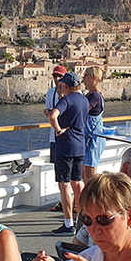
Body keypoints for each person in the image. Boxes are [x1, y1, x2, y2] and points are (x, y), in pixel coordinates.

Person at [48, 72, 88, 236]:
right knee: (77, 183)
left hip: (65, 146)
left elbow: (53, 115)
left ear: (66, 86)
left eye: (61, 85)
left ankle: (68, 223)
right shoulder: (84, 100)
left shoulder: (66, 99)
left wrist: (58, 130)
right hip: (80, 146)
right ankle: (82, 220)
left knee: (64, 184)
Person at [46, 65, 68, 212]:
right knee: (59, 173)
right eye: (55, 76)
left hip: (68, 139)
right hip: (54, 138)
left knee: (71, 176)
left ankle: (73, 204)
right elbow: (48, 111)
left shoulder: (70, 94)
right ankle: (63, 202)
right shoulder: (50, 93)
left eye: (60, 76)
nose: (57, 79)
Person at [83, 66, 106, 183]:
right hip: (91, 138)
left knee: (90, 176)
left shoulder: (94, 96)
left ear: (94, 78)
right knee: (86, 174)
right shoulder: (93, 95)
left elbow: (81, 111)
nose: (83, 78)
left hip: (92, 140)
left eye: (86, 75)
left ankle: (92, 200)